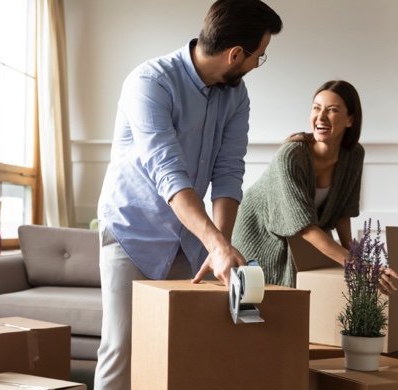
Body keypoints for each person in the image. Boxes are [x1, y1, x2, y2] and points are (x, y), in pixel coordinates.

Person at [94, 1, 282, 389]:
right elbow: (169, 175)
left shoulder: (236, 96)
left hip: (188, 242)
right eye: (258, 56)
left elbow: (229, 173)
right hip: (133, 233)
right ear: (235, 54)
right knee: (122, 348)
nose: (255, 65)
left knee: (180, 349)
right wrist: (214, 243)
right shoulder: (150, 82)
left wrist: (220, 245)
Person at [231, 80, 398, 292]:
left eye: (332, 110)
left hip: (300, 238)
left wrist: (359, 262)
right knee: (266, 306)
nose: (320, 117)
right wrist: (360, 266)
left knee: (303, 304)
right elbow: (306, 227)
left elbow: (342, 213)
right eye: (316, 108)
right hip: (261, 236)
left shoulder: (354, 155)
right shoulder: (292, 156)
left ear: (350, 120)